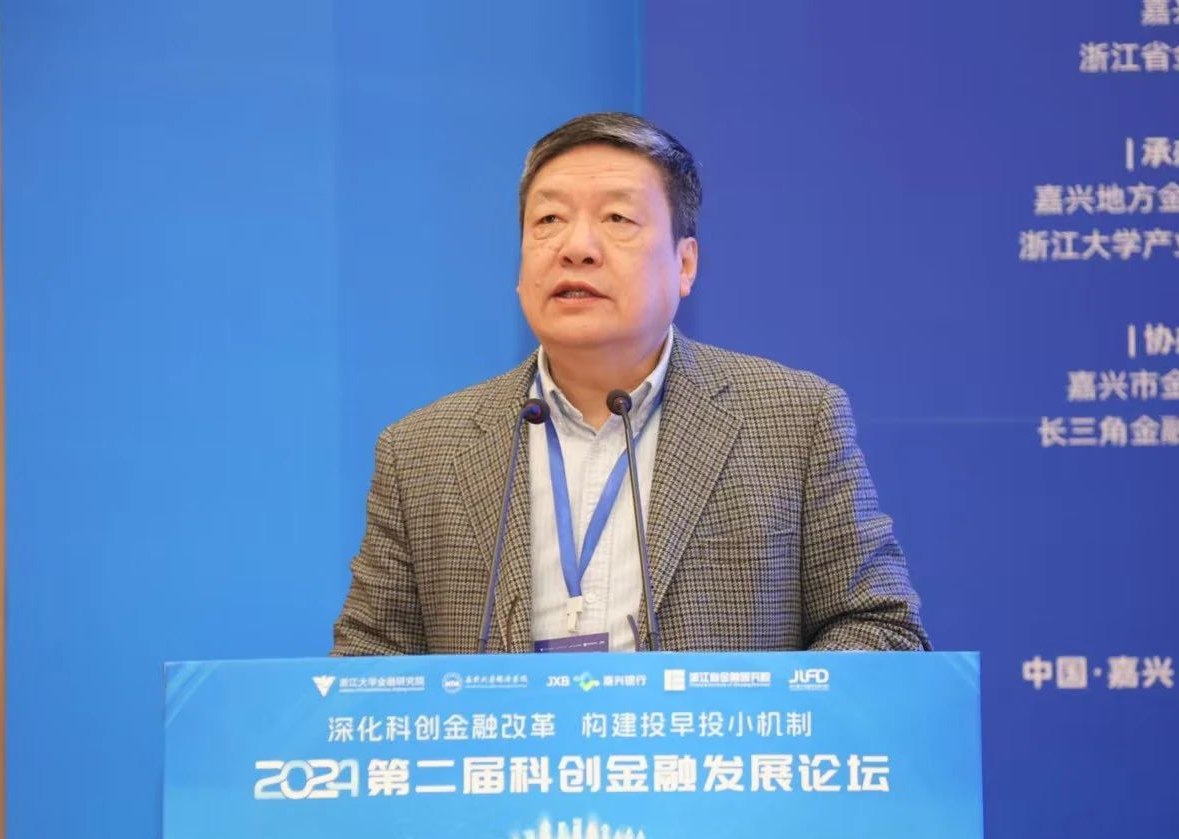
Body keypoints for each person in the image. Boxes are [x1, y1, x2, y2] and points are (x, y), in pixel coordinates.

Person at [332, 112, 928, 655]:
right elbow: (368, 664)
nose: (576, 248)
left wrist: (747, 720)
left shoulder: (794, 422)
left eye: (617, 218)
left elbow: (882, 629)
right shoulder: (420, 451)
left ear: (685, 264)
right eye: (548, 220)